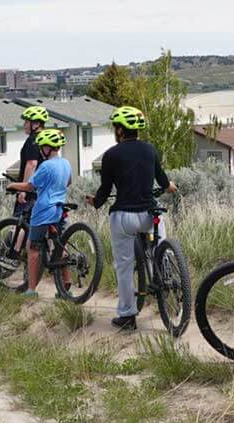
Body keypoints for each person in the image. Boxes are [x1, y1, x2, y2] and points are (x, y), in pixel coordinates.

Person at [87, 106, 178, 330]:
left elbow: (105, 190)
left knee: (124, 266)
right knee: (161, 248)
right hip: (150, 213)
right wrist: (170, 187)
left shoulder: (111, 155)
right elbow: (163, 181)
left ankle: (127, 315)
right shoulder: (150, 150)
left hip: (124, 217)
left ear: (120, 130)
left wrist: (94, 202)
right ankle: (165, 275)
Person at [6, 129, 71, 297]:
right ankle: (66, 284)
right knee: (60, 245)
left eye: (42, 146)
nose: (41, 149)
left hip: (44, 210)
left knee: (33, 248)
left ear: (48, 148)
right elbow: (68, 182)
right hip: (60, 207)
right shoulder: (66, 163)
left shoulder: (46, 166)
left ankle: (31, 290)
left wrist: (13, 186)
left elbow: (29, 186)